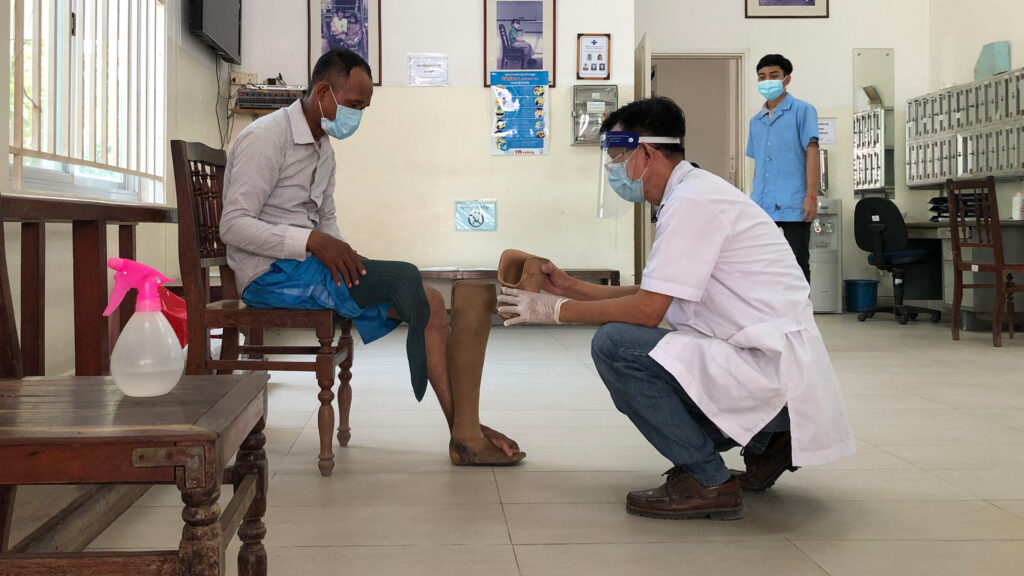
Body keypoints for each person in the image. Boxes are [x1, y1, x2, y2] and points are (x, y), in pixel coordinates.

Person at [497, 97, 854, 520]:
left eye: (618, 158)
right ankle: (769, 441)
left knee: (616, 345)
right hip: (771, 363)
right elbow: (656, 293)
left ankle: (709, 481)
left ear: (646, 152)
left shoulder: (692, 203)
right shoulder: (693, 193)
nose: (616, 171)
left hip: (772, 370)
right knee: (644, 346)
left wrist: (554, 311)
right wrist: (570, 287)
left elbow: (647, 312)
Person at [221, 49, 523, 467]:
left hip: (305, 267)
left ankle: (464, 432)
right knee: (419, 291)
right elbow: (233, 226)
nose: (358, 116)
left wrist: (341, 250)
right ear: (324, 91)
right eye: (354, 105)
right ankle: (466, 433)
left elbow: (326, 219)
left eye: (364, 108)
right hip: (269, 276)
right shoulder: (265, 138)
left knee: (426, 298)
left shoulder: (323, 149)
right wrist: (310, 242)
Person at [746, 54, 820, 283]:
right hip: (762, 203)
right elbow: (758, 165)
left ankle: (799, 314)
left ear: (786, 79)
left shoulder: (802, 110)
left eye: (773, 75)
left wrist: (811, 195)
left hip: (794, 201)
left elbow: (812, 153)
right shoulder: (755, 121)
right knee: (759, 261)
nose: (767, 81)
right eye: (762, 77)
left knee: (797, 262)